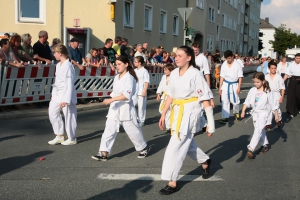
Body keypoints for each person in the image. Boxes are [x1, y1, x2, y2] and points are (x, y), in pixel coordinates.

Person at [158, 46, 215, 195]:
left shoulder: (196, 74)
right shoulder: (175, 73)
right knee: (187, 143)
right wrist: (164, 114)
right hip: (177, 112)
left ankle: (172, 181)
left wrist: (211, 124)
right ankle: (204, 161)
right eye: (175, 55)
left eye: (179, 55)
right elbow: (170, 94)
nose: (176, 58)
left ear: (189, 57)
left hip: (190, 113)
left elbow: (205, 100)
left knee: (175, 146)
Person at [91, 55, 150, 161]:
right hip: (114, 108)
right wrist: (110, 99)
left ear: (126, 65)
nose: (117, 66)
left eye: (119, 64)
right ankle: (103, 153)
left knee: (133, 131)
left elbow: (126, 96)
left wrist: (111, 100)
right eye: (116, 64)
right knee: (108, 130)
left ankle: (144, 147)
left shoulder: (130, 78)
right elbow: (115, 93)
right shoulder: (116, 78)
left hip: (125, 108)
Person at [241, 72, 279, 158]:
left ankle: (251, 148)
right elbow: (247, 101)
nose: (256, 84)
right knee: (260, 129)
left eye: (258, 82)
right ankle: (265, 144)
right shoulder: (252, 90)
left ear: (263, 81)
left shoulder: (267, 91)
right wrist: (243, 111)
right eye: (254, 82)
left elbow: (273, 104)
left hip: (264, 113)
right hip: (255, 113)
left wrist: (276, 115)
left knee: (258, 130)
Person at [48, 44, 77, 145]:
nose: (53, 54)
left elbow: (69, 84)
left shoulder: (68, 66)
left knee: (69, 116)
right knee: (52, 113)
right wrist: (53, 94)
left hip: (66, 94)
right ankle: (59, 135)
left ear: (60, 53)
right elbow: (57, 81)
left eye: (54, 52)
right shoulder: (58, 65)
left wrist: (65, 99)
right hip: (57, 93)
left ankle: (72, 138)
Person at [219, 50, 243, 124]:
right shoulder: (224, 64)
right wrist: (220, 87)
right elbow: (222, 76)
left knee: (235, 102)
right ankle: (225, 117)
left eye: (229, 58)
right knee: (224, 101)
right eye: (227, 58)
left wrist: (239, 87)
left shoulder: (237, 65)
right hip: (225, 85)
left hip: (234, 85)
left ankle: (236, 112)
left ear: (232, 57)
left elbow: (240, 77)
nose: (228, 60)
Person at [265, 60, 284, 130]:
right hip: (268, 94)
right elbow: (263, 86)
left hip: (276, 95)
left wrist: (282, 97)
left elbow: (282, 88)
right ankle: (268, 124)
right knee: (268, 109)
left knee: (276, 108)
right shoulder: (266, 77)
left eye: (274, 68)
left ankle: (278, 120)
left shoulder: (279, 77)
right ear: (269, 68)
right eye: (272, 68)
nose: (273, 70)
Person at [156, 64, 175, 133]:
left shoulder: (174, 77)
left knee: (168, 111)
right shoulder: (164, 77)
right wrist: (158, 93)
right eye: (164, 69)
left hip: (170, 97)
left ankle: (169, 127)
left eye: (166, 70)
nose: (165, 71)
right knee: (161, 110)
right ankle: (169, 126)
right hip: (164, 96)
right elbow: (161, 85)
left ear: (171, 71)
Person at [133, 56, 150, 127]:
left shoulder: (144, 71)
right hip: (135, 91)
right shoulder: (135, 70)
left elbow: (147, 82)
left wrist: (144, 91)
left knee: (141, 107)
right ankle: (134, 118)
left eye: (135, 62)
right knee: (132, 105)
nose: (134, 63)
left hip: (141, 91)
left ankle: (141, 120)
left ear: (139, 63)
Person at [283, 53, 300, 117]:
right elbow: (286, 74)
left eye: (299, 58)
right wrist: (282, 82)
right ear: (295, 58)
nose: (298, 59)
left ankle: (298, 107)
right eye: (297, 58)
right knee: (291, 96)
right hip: (292, 80)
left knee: (298, 96)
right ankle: (291, 111)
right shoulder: (291, 65)